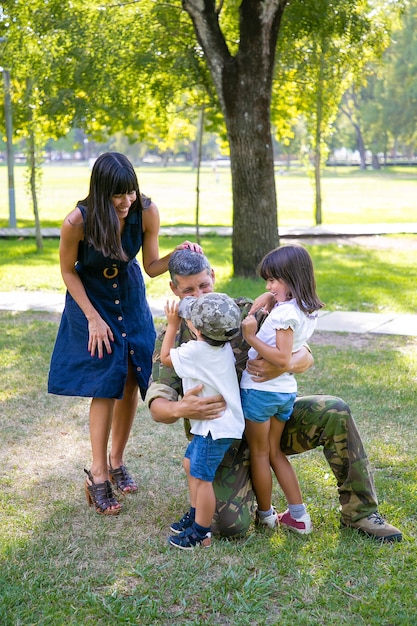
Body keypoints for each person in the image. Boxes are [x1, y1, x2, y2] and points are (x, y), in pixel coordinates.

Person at [145, 248, 402, 543]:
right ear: (173, 289)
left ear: (213, 276)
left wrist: (283, 365)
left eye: (204, 285)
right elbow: (158, 407)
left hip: (267, 420)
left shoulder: (241, 313)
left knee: (335, 410)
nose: (200, 294)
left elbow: (304, 354)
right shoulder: (172, 338)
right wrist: (182, 408)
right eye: (188, 290)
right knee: (230, 527)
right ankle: (252, 500)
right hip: (223, 442)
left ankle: (361, 513)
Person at [48, 152, 201, 516]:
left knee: (131, 377)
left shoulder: (146, 211)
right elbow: (68, 272)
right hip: (92, 299)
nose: (126, 201)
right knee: (105, 381)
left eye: (130, 192)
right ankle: (97, 475)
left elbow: (150, 266)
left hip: (130, 296)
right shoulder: (77, 221)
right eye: (118, 195)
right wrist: (92, 318)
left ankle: (117, 462)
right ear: (101, 192)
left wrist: (176, 255)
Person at [240, 244, 324, 535]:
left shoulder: (283, 314)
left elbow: (281, 357)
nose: (268, 285)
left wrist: (251, 338)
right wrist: (267, 298)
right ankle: (298, 516)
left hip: (260, 393)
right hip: (281, 393)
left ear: (290, 277)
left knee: (261, 454)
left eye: (273, 280)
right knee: (275, 452)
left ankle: (266, 515)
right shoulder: (302, 309)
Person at [160, 293, 244, 549]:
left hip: (215, 428)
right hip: (217, 426)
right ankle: (195, 513)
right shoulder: (224, 346)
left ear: (195, 327)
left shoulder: (196, 351)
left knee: (202, 477)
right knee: (190, 465)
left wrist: (172, 324)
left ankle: (200, 533)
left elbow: (165, 358)